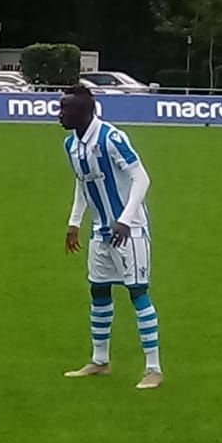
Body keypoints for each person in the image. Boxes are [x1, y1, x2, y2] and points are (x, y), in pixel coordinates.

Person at [58, 84, 161, 388]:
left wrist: (126, 219)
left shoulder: (111, 138)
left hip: (130, 230)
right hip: (100, 231)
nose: (60, 115)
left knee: (137, 292)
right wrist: (74, 222)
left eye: (66, 110)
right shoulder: (71, 145)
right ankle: (100, 361)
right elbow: (82, 182)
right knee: (99, 291)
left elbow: (141, 177)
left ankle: (153, 368)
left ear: (85, 112)